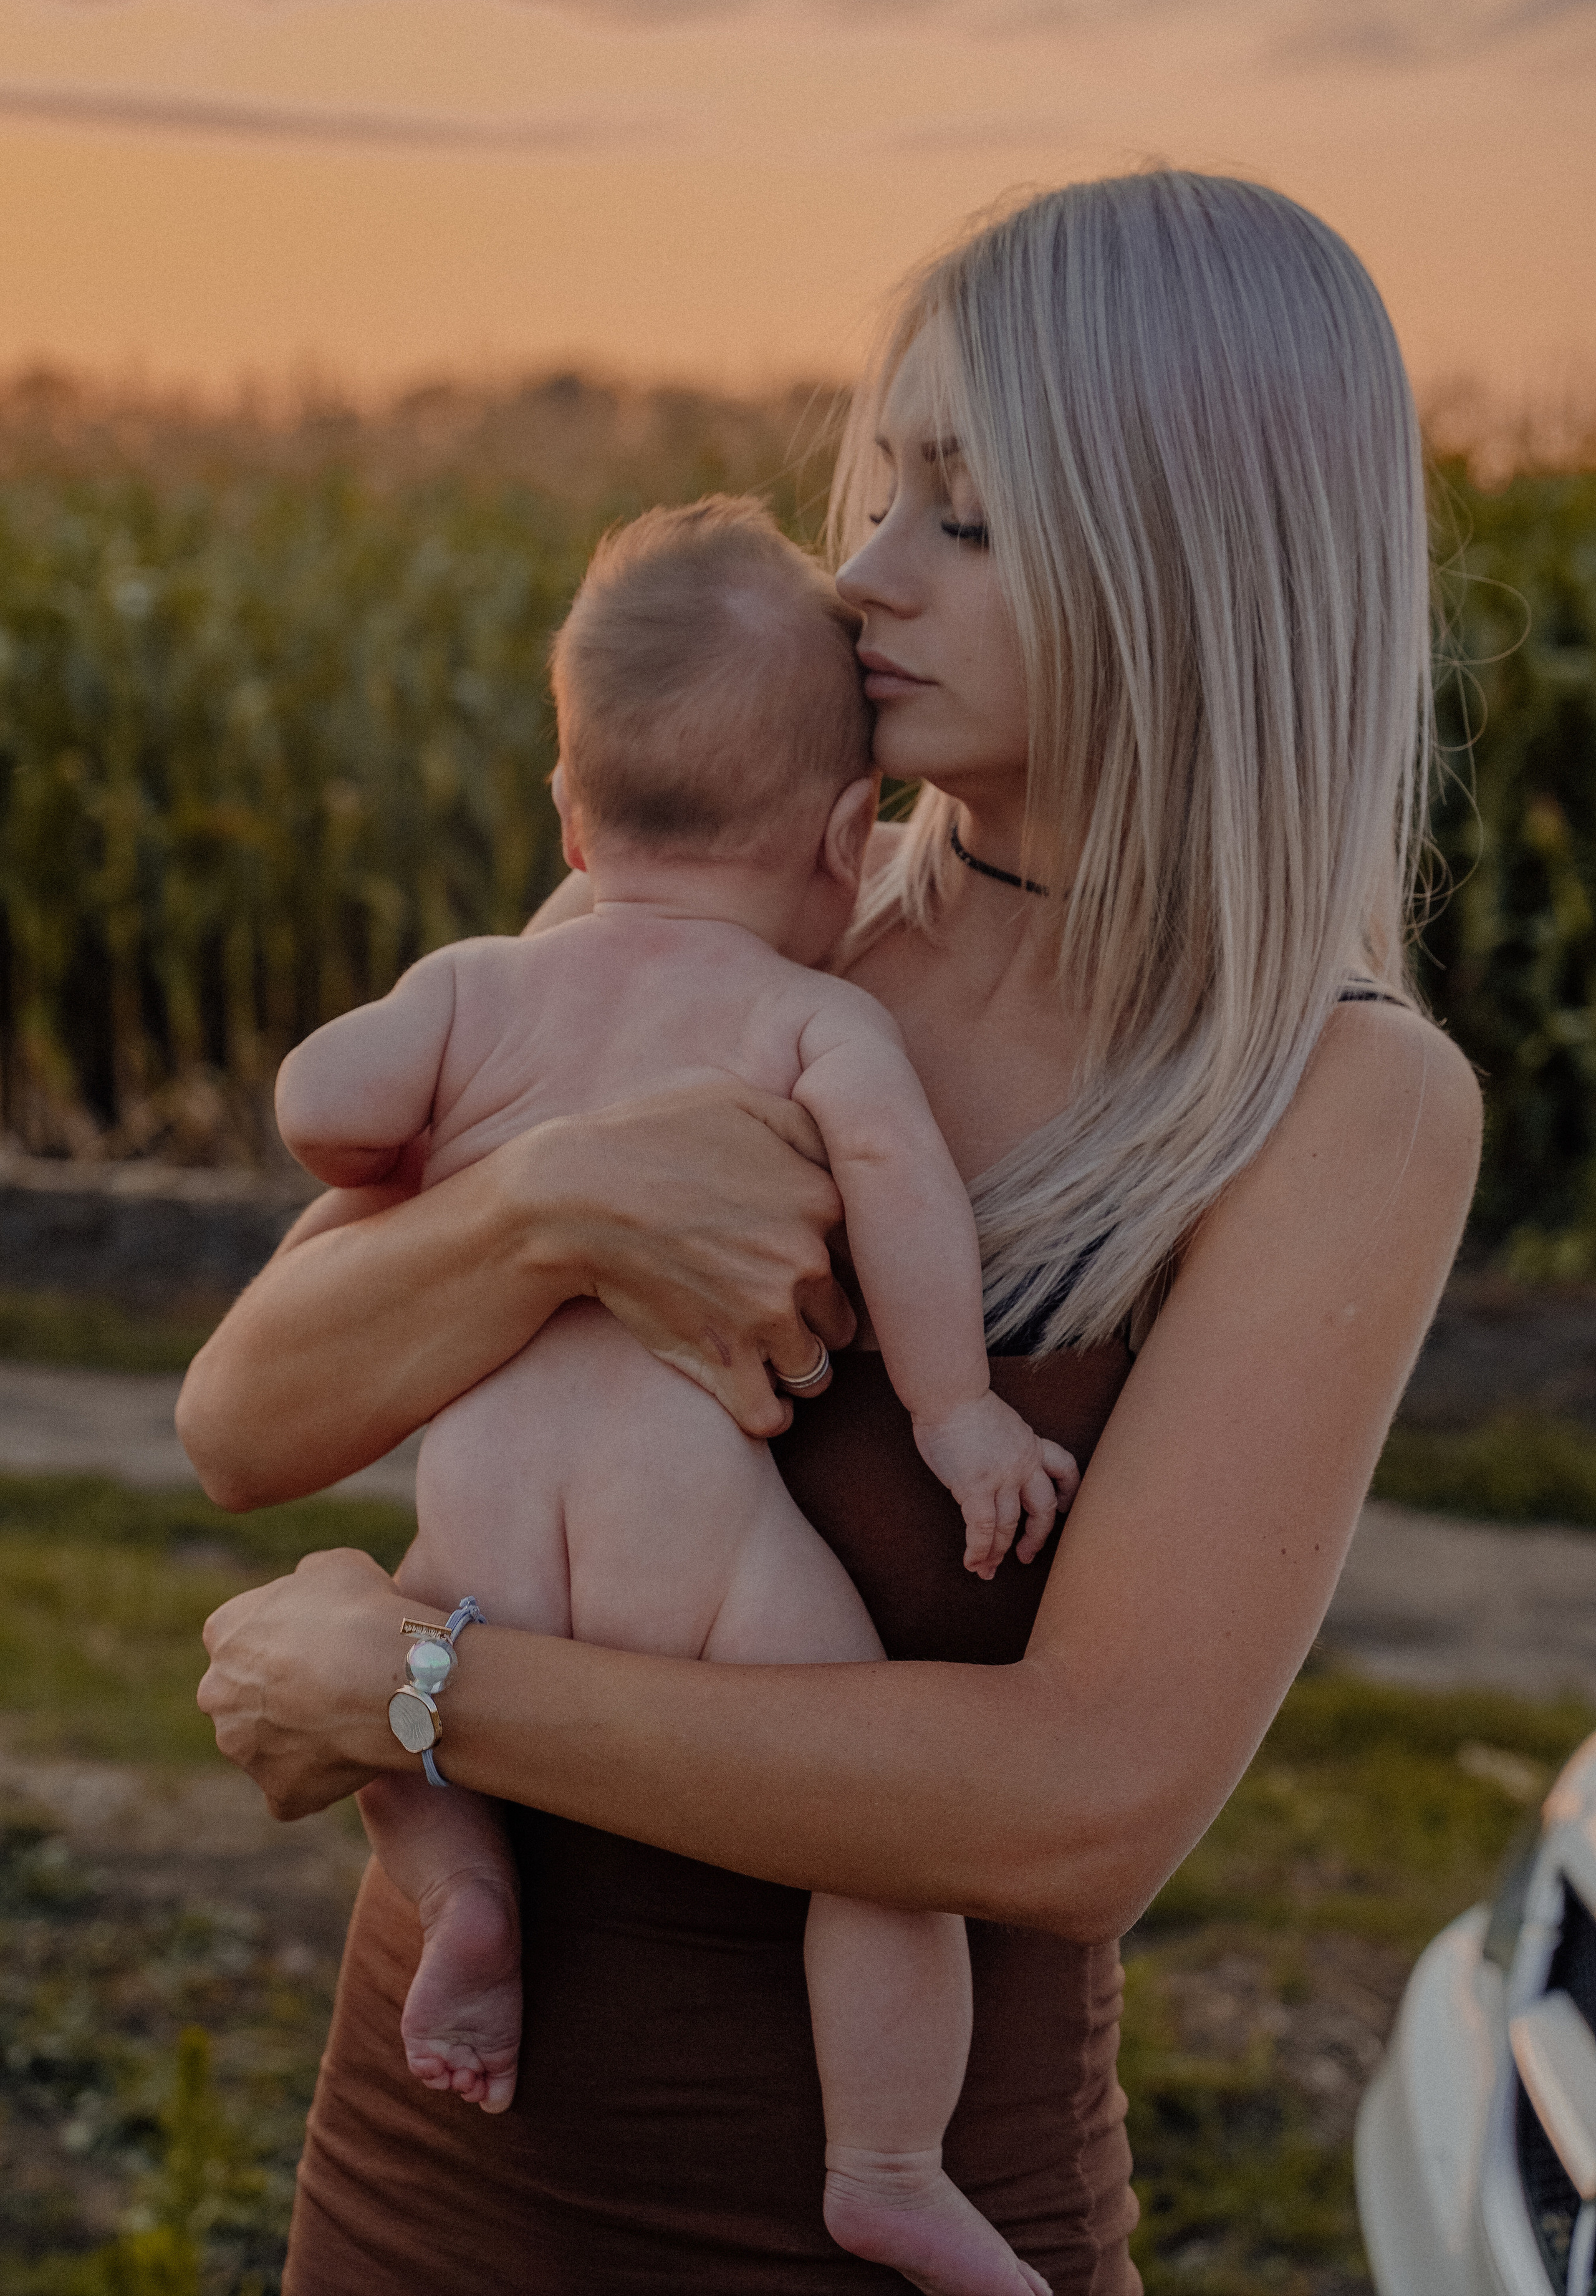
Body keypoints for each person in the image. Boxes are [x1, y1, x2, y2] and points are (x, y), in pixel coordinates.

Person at [183, 169, 1482, 2295]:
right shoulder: (721, 933)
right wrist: (555, 1204)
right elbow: (247, 1418)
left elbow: (1077, 1810)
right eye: (885, 491)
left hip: (869, 2243)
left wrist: (420, 1687)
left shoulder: (1336, 1101)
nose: (865, 578)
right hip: (429, 2203)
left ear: (1190, 560)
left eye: (964, 518)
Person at [270, 494, 1072, 2295]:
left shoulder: (482, 989)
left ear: (572, 811)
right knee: (879, 1838)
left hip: (481, 1542)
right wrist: (955, 1416)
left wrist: (430, 1118)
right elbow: (902, 1196)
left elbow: (325, 1104)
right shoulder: (810, 1023)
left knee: (393, 1668)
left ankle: (465, 1892)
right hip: (691, 1560)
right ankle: (883, 2164)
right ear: (844, 835)